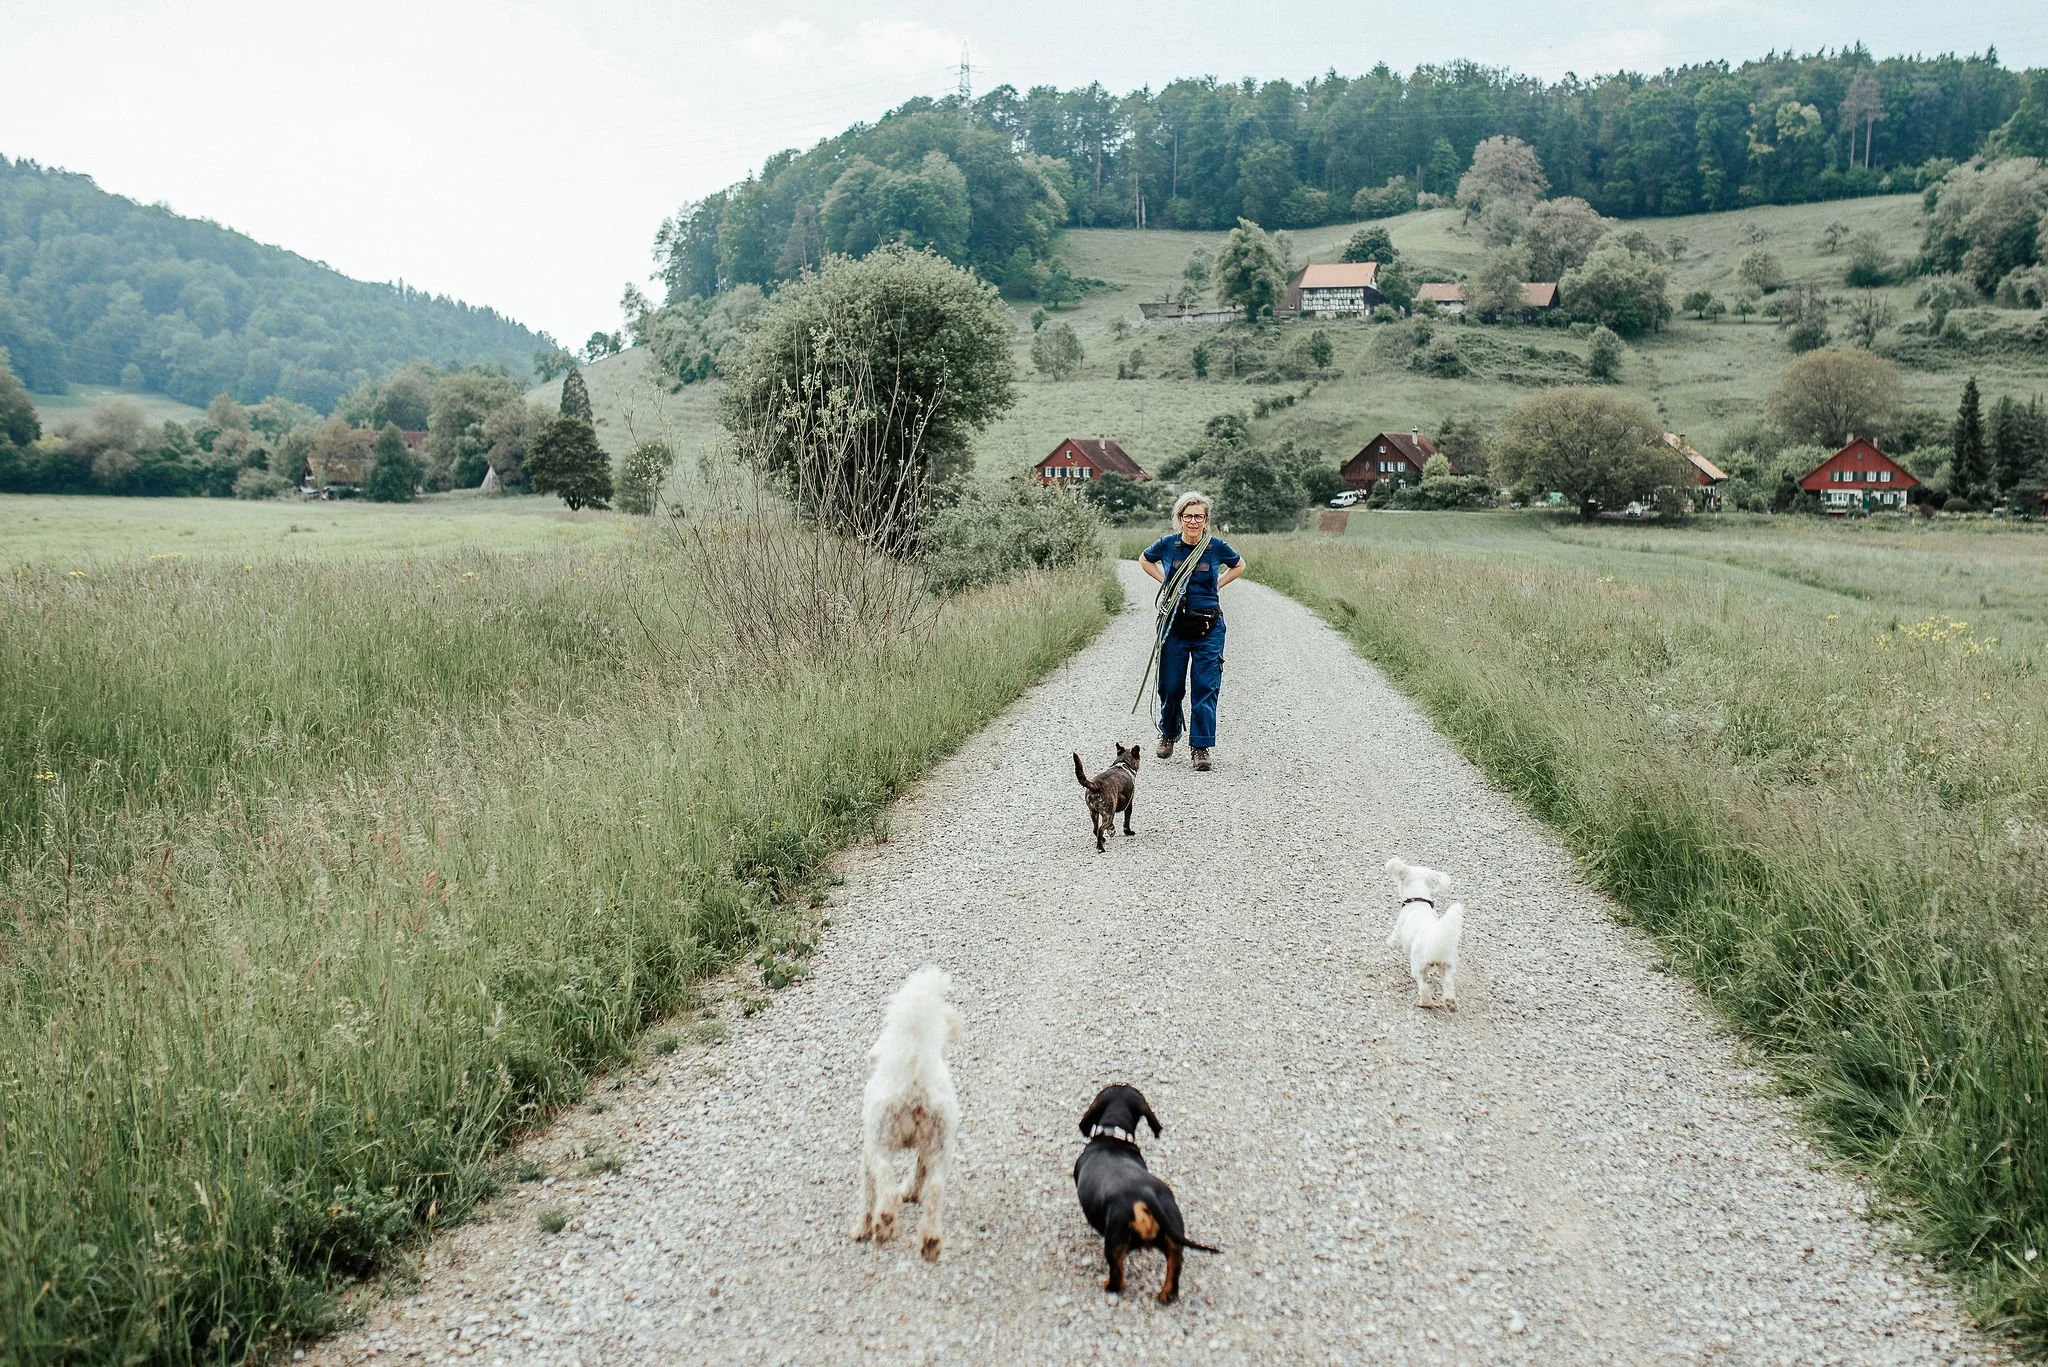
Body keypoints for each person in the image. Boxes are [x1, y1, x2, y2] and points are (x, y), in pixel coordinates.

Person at [1139, 491, 1244, 771]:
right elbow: (1144, 559)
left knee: (1205, 687)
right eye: (1188, 516)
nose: (1193, 521)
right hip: (1173, 626)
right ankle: (1169, 732)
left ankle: (1201, 747)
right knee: (1170, 687)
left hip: (1209, 628)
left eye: (1199, 516)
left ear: (1206, 519)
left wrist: (1218, 585)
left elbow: (1239, 565)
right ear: (1179, 519)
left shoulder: (1216, 547)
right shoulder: (1167, 545)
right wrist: (1165, 582)